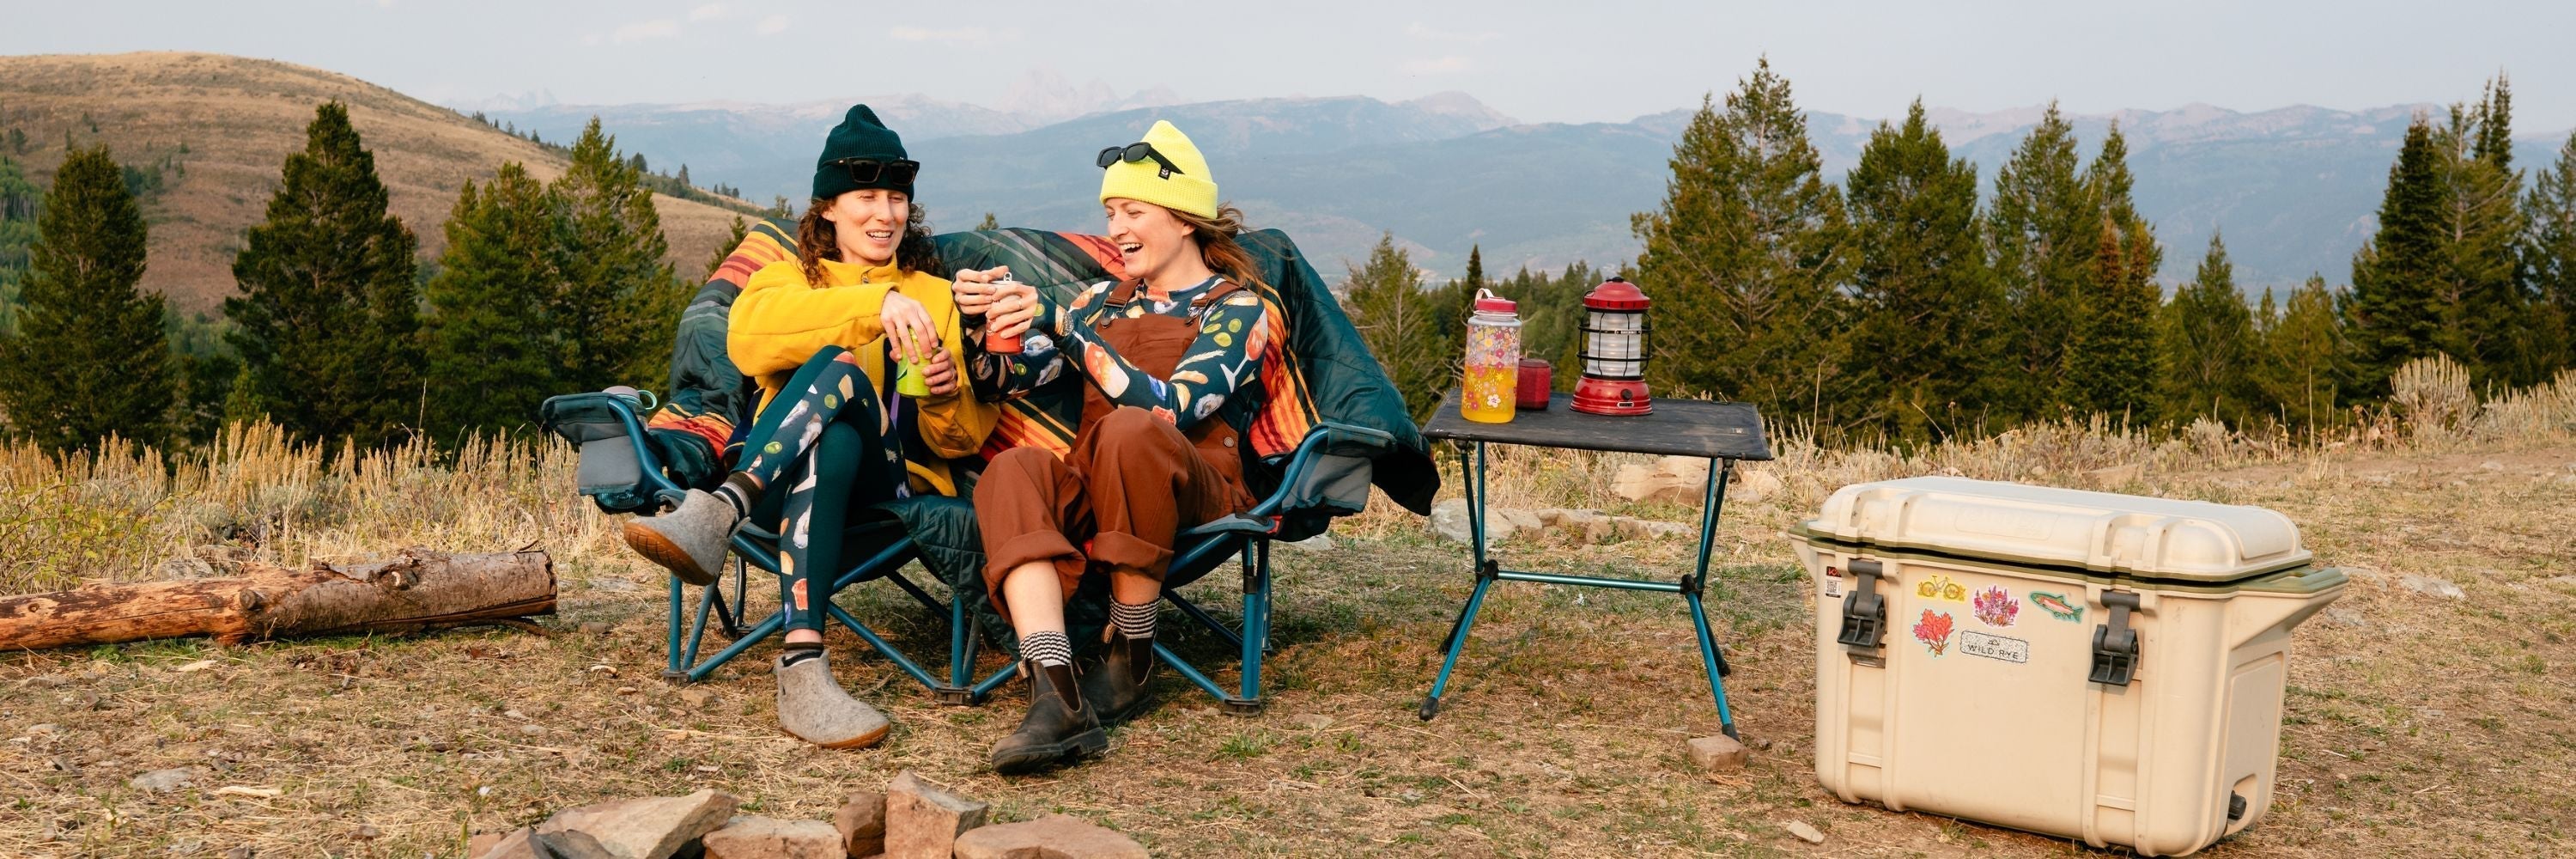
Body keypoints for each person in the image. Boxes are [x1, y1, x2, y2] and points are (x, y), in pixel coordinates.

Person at [623, 105, 995, 748]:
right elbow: (747, 343)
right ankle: (803, 672)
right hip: (783, 491)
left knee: (841, 376)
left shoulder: (934, 295)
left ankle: (717, 511)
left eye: (897, 197)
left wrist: (943, 396)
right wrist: (875, 304)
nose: (886, 214)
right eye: (867, 197)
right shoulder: (784, 280)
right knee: (836, 428)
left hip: (887, 499)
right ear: (828, 208)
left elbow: (958, 442)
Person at [954, 120, 1286, 773]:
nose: (1116, 228)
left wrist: (1064, 326)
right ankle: (1055, 688)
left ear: (1186, 218)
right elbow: (1008, 381)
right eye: (1110, 212)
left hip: (1195, 483)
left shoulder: (1238, 309)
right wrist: (978, 328)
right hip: (1092, 477)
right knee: (1013, 471)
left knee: (1132, 431)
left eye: (1133, 210)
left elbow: (1173, 408)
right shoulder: (1099, 301)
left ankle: (1130, 655)